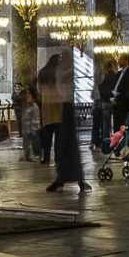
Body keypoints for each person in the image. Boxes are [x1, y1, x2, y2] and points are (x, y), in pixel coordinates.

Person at [43, 49, 90, 193]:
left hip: (66, 108)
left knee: (67, 145)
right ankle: (64, 178)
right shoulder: (63, 72)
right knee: (64, 145)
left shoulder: (66, 71)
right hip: (63, 108)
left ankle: (68, 179)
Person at [37, 55, 61, 164]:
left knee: (47, 135)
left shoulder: (42, 72)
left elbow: (39, 90)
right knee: (58, 136)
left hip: (46, 105)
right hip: (57, 106)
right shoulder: (57, 73)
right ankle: (57, 157)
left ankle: (46, 157)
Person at [93, 60, 119, 150]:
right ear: (111, 66)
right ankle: (116, 141)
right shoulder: (115, 76)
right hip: (114, 101)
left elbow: (100, 87)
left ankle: (106, 143)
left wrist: (105, 96)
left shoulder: (105, 76)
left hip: (105, 102)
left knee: (106, 125)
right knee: (116, 123)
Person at [112, 53, 129, 133]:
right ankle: (116, 143)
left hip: (125, 105)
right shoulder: (119, 73)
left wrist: (120, 97)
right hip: (116, 105)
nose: (118, 61)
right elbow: (115, 86)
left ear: (126, 61)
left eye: (120, 59)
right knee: (117, 127)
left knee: (124, 128)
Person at [18, 87, 42, 161]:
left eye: (29, 94)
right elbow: (24, 118)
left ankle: (36, 155)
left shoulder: (34, 107)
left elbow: (36, 120)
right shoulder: (26, 107)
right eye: (27, 94)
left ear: (34, 98)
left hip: (33, 130)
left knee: (34, 142)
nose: (27, 96)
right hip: (26, 129)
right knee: (26, 143)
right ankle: (26, 155)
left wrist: (33, 129)